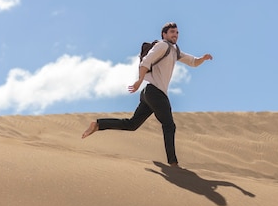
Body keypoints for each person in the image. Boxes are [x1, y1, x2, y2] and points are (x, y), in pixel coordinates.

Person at [81, 22, 213, 167]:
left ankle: (99, 124)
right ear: (164, 34)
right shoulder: (162, 45)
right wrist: (139, 80)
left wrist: (203, 58)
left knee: (132, 124)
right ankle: (173, 162)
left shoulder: (175, 50)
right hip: (155, 92)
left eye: (177, 33)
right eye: (172, 32)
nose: (175, 35)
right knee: (169, 125)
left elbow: (193, 62)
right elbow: (146, 61)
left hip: (149, 93)